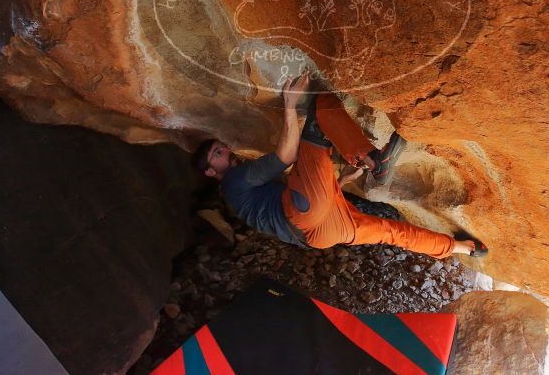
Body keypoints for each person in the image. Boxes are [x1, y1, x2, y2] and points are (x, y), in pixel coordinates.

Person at [191, 71, 486, 259]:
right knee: (321, 109)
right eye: (218, 153)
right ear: (210, 171)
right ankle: (373, 159)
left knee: (392, 233)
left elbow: (297, 204)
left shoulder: (237, 198)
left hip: (320, 236)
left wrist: (340, 182)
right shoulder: (234, 180)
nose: (227, 150)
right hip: (304, 211)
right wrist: (291, 105)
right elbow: (286, 156)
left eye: (222, 147)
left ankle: (463, 249)